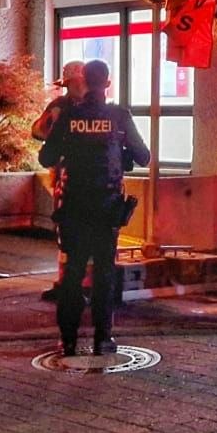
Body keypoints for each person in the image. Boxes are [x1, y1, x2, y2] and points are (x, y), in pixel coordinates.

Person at [37, 60, 149, 357]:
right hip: (107, 207)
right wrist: (120, 153)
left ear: (84, 81)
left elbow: (46, 157)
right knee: (104, 274)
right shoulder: (119, 116)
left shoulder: (69, 114)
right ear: (107, 84)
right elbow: (144, 156)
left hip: (74, 206)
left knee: (72, 273)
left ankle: (69, 340)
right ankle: (103, 338)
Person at [33, 62, 87, 303]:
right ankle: (72, 281)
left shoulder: (61, 108)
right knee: (70, 234)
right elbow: (37, 130)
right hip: (73, 178)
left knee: (70, 232)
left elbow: (39, 134)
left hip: (69, 179)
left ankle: (73, 282)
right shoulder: (98, 108)